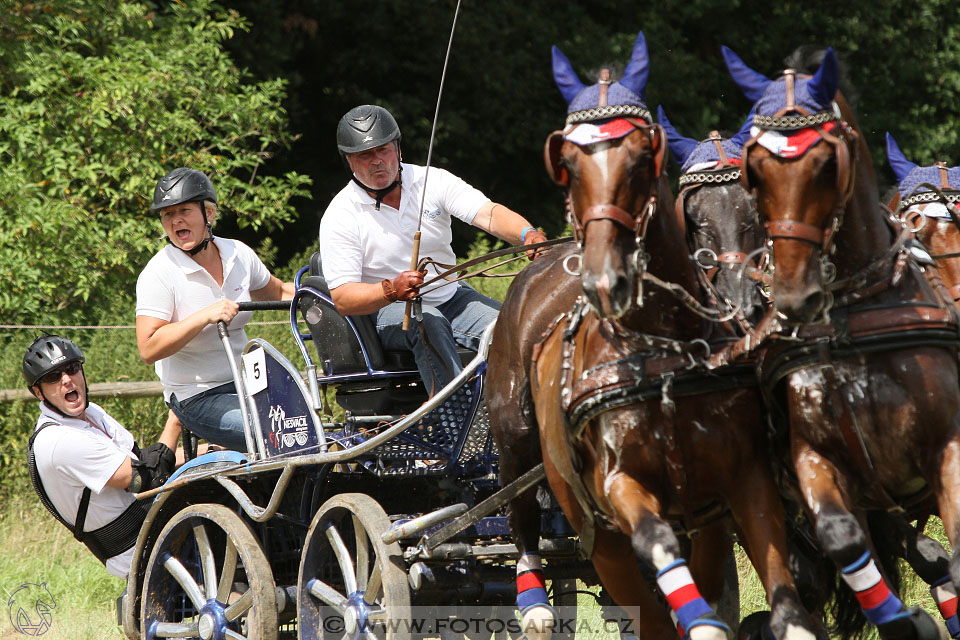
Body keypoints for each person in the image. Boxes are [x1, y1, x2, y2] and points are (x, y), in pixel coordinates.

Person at [319, 104, 547, 392]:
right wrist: (391, 289)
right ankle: (455, 425)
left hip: (452, 297)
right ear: (349, 162)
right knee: (427, 321)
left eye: (384, 150)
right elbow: (343, 298)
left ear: (398, 149)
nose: (377, 161)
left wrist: (526, 234)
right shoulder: (340, 214)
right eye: (365, 155)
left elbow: (488, 214)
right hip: (388, 312)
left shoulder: (432, 180)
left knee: (519, 327)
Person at [136, 168, 294, 452]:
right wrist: (204, 316)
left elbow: (280, 292)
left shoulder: (238, 254)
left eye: (184, 210)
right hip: (197, 396)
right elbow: (148, 348)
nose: (176, 220)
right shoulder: (159, 273)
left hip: (249, 382)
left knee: (302, 421)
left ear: (209, 214)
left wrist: (330, 294)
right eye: (168, 214)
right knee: (271, 428)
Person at [24, 335, 179, 578]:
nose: (66, 380)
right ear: (38, 392)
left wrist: (213, 450)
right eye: (53, 377)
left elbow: (141, 459)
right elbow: (144, 478)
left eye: (72, 369)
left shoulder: (91, 413)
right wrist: (176, 421)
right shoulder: (59, 441)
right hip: (136, 548)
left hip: (154, 523)